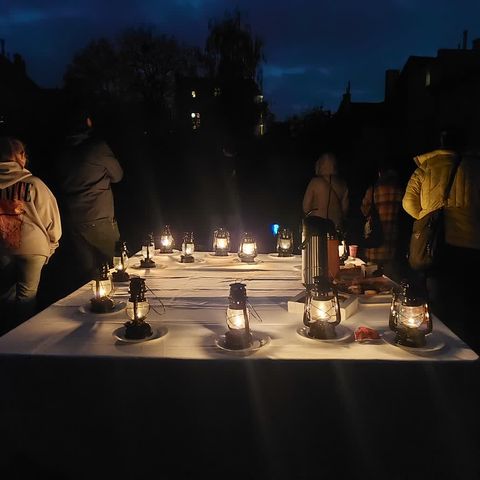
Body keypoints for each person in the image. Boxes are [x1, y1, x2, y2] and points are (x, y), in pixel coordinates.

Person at [402, 129, 480, 350]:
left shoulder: (426, 168)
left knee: (439, 297)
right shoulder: (475, 167)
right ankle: (469, 350)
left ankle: (443, 351)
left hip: (436, 243)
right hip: (471, 244)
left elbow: (408, 203)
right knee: (468, 299)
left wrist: (428, 217)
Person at [56, 109, 123, 287]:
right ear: (88, 123)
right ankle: (112, 307)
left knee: (86, 275)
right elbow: (118, 175)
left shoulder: (63, 152)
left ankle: (91, 307)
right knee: (114, 267)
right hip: (99, 217)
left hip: (73, 219)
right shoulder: (97, 148)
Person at [0, 137, 61, 328]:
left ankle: (6, 339)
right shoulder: (34, 184)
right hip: (33, 247)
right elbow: (50, 217)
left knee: (5, 296)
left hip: (3, 246)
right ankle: (23, 339)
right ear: (19, 156)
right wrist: (52, 243)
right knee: (27, 297)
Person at [360, 163, 404, 277]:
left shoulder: (374, 189)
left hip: (376, 239)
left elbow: (365, 210)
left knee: (374, 276)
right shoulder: (399, 190)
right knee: (389, 277)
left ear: (380, 174)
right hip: (392, 239)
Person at [302, 152, 349, 230]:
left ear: (320, 165)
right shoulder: (343, 185)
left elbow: (305, 208)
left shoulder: (315, 182)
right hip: (335, 228)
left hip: (316, 227)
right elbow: (344, 210)